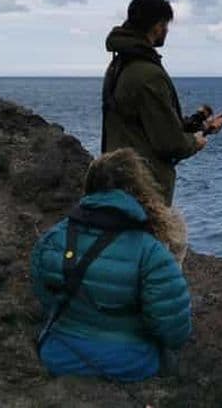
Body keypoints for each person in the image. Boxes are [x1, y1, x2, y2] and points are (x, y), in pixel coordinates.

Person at [31, 148, 191, 381]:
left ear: (89, 187)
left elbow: (45, 298)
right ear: (140, 191)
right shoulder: (152, 253)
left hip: (60, 355)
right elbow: (174, 331)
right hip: (129, 363)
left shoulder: (51, 239)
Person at [101, 0, 222, 204]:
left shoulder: (119, 65)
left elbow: (146, 125)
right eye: (165, 24)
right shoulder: (148, 74)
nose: (167, 30)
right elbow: (170, 143)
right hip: (143, 189)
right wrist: (196, 141)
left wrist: (201, 126)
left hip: (118, 177)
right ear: (157, 27)